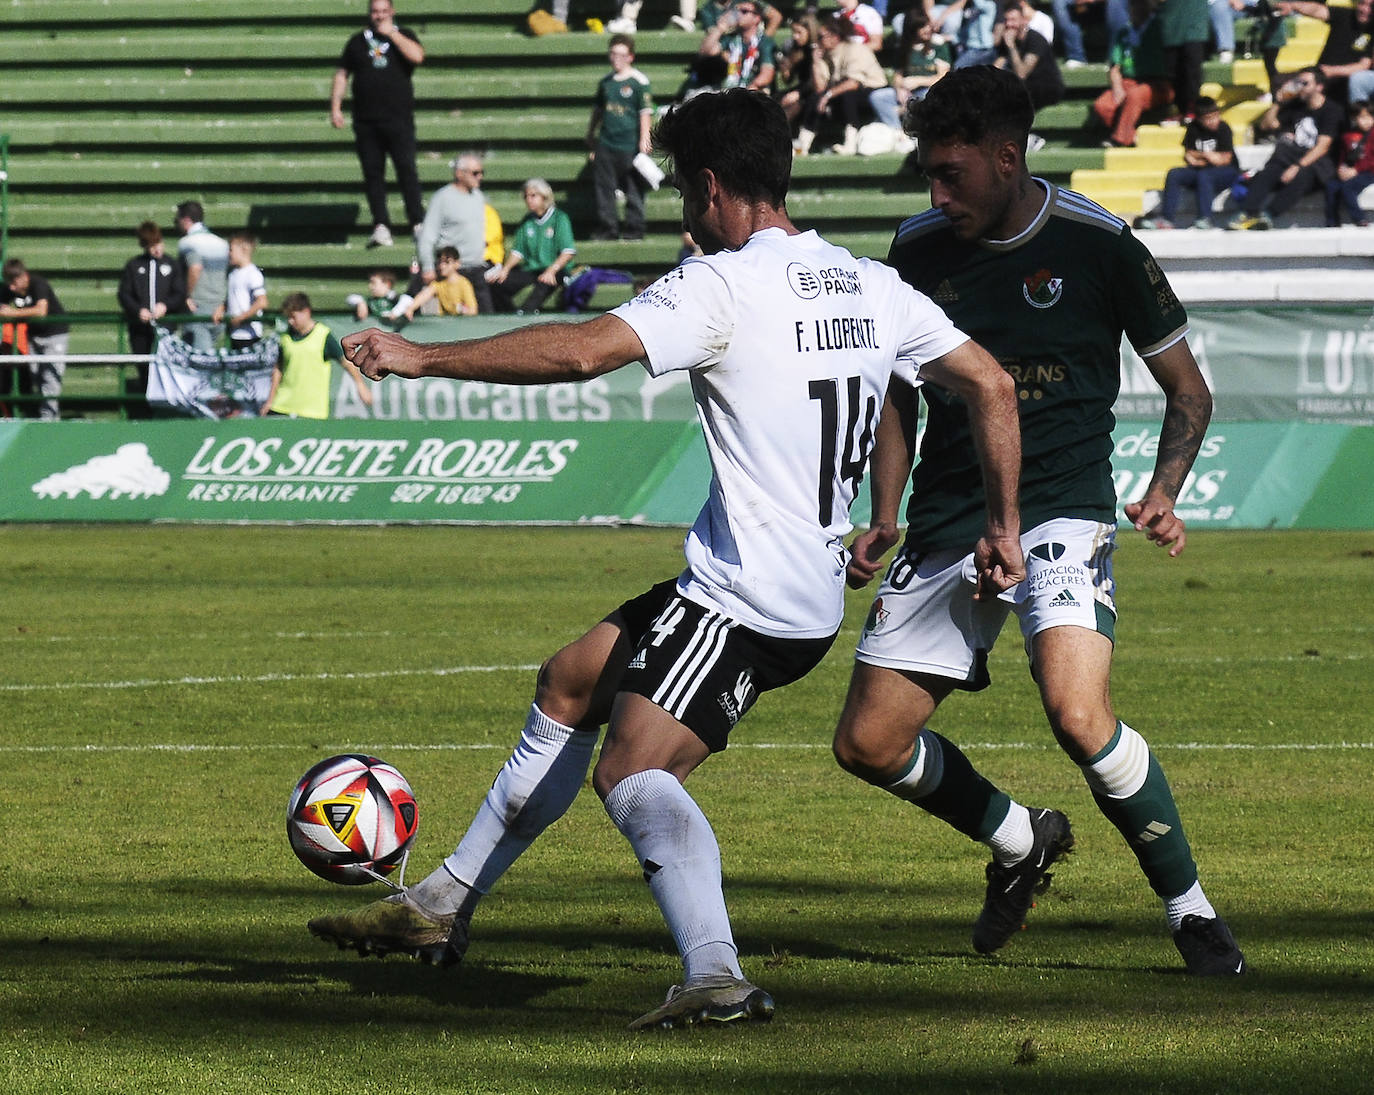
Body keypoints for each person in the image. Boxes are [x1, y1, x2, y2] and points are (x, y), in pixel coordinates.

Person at [307, 87, 1024, 1031]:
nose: (690, 220)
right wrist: (1001, 525)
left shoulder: (721, 282)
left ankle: (716, 975)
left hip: (742, 597)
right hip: (790, 582)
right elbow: (991, 383)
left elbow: (578, 354)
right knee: (569, 680)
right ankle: (438, 905)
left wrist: (422, 355)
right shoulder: (866, 283)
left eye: (689, 196)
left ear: (714, 187)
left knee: (634, 774)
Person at [832, 65, 1246, 977]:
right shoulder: (919, 248)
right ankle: (1022, 839)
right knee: (868, 742)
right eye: (929, 177)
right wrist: (887, 510)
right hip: (949, 516)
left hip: (1062, 510)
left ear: (1008, 158)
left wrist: (1163, 488)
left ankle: (1189, 910)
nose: (938, 195)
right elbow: (899, 392)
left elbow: (1189, 389)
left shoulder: (1101, 245)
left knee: (1075, 709)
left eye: (952, 174)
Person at [330, 0, 426, 250]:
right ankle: (381, 225)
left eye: (384, 11)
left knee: (407, 170)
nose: (379, 16)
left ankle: (417, 221)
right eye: (375, 11)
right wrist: (335, 107)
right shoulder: (357, 41)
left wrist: (392, 34)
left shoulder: (404, 34)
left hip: (398, 119)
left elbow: (417, 56)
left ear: (392, 12)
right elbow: (342, 74)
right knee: (373, 175)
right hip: (366, 121)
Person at [1227, 66, 1343, 229]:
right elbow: (1267, 125)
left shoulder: (1332, 110)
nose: (1300, 87)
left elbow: (1322, 147)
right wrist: (1278, 102)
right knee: (1271, 170)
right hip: (1292, 157)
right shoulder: (1296, 106)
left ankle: (1267, 215)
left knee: (1302, 176)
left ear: (1319, 86)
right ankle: (1247, 212)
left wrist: (1296, 167)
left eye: (1305, 83)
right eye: (1298, 82)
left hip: (1318, 164)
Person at [262, 292, 373, 418]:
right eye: (288, 317)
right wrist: (270, 401)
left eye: (293, 316)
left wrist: (360, 386)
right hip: (282, 406)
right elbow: (278, 370)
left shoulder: (323, 335)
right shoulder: (285, 338)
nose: (290, 321)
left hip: (312, 410)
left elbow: (346, 362)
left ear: (306, 312)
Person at [586, 34, 654, 242]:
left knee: (633, 188)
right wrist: (591, 134)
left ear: (631, 56)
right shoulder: (606, 83)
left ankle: (635, 228)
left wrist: (644, 138)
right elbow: (598, 111)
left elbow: (645, 112)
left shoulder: (639, 82)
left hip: (629, 144)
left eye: (622, 55)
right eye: (613, 54)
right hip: (607, 142)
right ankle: (608, 228)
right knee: (604, 188)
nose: (617, 59)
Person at [116, 219, 187, 408]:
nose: (156, 249)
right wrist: (137, 310)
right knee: (145, 368)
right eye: (151, 245)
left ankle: (169, 408)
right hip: (140, 329)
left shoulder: (172, 264)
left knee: (166, 368)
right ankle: (146, 409)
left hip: (166, 328)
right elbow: (124, 294)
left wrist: (166, 305)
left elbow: (180, 292)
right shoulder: (134, 265)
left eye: (158, 243)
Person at [1141, 95, 1239, 227]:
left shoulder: (1224, 128)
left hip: (1226, 172)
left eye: (1215, 116)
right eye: (1208, 119)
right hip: (1201, 170)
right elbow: (1189, 156)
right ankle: (1166, 219)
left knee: (1205, 176)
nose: (1213, 121)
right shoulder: (1193, 128)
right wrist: (1208, 156)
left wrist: (1201, 158)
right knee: (1174, 173)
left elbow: (1225, 159)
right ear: (1199, 119)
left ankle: (1205, 218)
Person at [797, 15, 890, 155]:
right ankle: (803, 144)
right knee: (815, 98)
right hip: (845, 90)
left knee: (848, 95)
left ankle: (850, 143)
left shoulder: (854, 49)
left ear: (835, 37)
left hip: (872, 90)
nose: (819, 41)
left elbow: (853, 83)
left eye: (822, 36)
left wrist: (828, 95)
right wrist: (816, 62)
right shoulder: (826, 55)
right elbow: (820, 88)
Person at [416, 152, 496, 313]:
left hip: (476, 269)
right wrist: (428, 267)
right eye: (475, 173)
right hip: (452, 271)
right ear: (459, 173)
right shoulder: (443, 198)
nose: (480, 177)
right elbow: (428, 235)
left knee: (488, 320)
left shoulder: (478, 197)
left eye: (481, 172)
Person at [1092, 0, 1174, 148]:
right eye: (1134, 5)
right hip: (1130, 80)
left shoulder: (1160, 27)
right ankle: (1130, 135)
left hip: (1157, 82)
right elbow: (1115, 67)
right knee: (1102, 105)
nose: (1136, 8)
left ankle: (1119, 139)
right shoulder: (1125, 32)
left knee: (1135, 96)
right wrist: (1117, 89)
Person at [488, 179, 577, 314]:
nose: (528, 200)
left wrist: (552, 270)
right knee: (499, 284)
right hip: (533, 269)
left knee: (545, 281)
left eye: (533, 195)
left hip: (556, 268)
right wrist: (505, 270)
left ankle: (526, 312)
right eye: (526, 196)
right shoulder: (527, 221)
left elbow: (568, 252)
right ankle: (509, 314)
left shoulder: (559, 218)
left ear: (545, 197)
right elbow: (518, 252)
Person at [0, 258, 69, 421]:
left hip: (54, 335)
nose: (11, 287)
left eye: (14, 282)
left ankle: (49, 422)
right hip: (34, 337)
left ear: (24, 276)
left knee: (50, 380)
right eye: (9, 283)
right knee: (36, 377)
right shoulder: (12, 288)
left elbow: (41, 311)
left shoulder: (39, 284)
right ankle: (40, 417)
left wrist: (12, 313)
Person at [174, 200, 230, 352]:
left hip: (197, 308)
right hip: (219, 308)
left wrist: (187, 295)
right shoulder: (222, 243)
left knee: (199, 361)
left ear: (185, 220)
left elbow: (195, 268)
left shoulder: (187, 243)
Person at [994, 0, 1065, 113]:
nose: (1009, 24)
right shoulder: (1008, 38)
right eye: (1006, 20)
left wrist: (1012, 47)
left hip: (1046, 87)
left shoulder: (1036, 40)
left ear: (1024, 21)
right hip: (1025, 86)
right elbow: (998, 65)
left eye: (1013, 20)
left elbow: (1021, 73)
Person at [699, 2, 778, 91]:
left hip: (754, 91)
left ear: (757, 18)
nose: (738, 14)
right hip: (732, 90)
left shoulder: (764, 42)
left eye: (744, 12)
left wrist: (746, 92)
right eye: (737, 11)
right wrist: (720, 28)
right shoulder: (732, 40)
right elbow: (706, 51)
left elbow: (766, 75)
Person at [214, 233, 268, 349]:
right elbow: (232, 298)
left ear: (244, 249)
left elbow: (262, 302)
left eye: (231, 250)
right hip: (234, 333)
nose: (229, 253)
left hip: (249, 336)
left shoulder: (253, 274)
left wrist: (242, 317)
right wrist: (220, 309)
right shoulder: (233, 274)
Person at [1325, 97, 1374, 224]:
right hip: (1352, 170)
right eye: (1362, 118)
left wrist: (1356, 170)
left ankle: (1359, 218)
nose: (1367, 121)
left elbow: (1371, 159)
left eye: (1369, 117)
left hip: (1369, 171)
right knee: (1331, 186)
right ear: (1354, 118)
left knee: (1348, 188)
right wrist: (1342, 169)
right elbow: (1344, 156)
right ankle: (1332, 221)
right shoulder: (1348, 136)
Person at [403, 246, 477, 318]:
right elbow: (425, 295)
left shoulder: (464, 284)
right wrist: (411, 308)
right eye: (440, 262)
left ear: (457, 264)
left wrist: (461, 310)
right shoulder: (438, 283)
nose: (442, 266)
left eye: (447, 262)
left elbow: (473, 310)